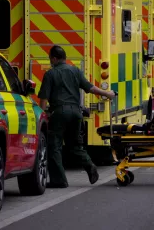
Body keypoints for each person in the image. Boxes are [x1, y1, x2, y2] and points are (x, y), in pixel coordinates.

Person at [38, 45, 116, 188]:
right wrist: (107, 94)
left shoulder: (50, 74)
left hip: (59, 113)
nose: (50, 61)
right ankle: (89, 165)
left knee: (54, 146)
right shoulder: (75, 70)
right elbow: (90, 88)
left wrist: (41, 118)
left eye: (50, 59)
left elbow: (43, 99)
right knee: (74, 145)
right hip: (76, 113)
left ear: (54, 59)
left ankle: (59, 180)